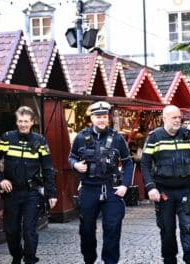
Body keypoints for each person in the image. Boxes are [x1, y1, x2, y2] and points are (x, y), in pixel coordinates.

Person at [0, 106, 58, 264]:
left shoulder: (40, 141)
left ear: (32, 122)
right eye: (20, 121)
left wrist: (52, 194)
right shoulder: (7, 138)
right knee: (11, 230)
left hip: (32, 192)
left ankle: (30, 260)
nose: (23, 124)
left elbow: (47, 169)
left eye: (26, 121)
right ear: (16, 121)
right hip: (11, 192)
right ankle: (16, 256)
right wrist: (0, 179)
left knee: (29, 229)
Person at [141, 105, 190, 264]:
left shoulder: (188, 134)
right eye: (174, 118)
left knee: (188, 228)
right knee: (167, 231)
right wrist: (151, 187)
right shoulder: (154, 137)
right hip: (164, 193)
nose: (178, 120)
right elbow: (145, 164)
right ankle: (169, 261)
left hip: (186, 190)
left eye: (179, 117)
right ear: (164, 118)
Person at [68, 101, 133, 264]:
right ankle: (89, 259)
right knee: (87, 230)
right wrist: (75, 165)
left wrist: (125, 185)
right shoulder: (81, 137)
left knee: (112, 228)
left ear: (108, 118)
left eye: (104, 116)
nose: (102, 120)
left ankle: (110, 261)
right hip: (88, 189)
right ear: (92, 118)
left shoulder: (118, 139)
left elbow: (128, 162)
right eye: (98, 117)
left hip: (111, 189)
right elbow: (71, 157)